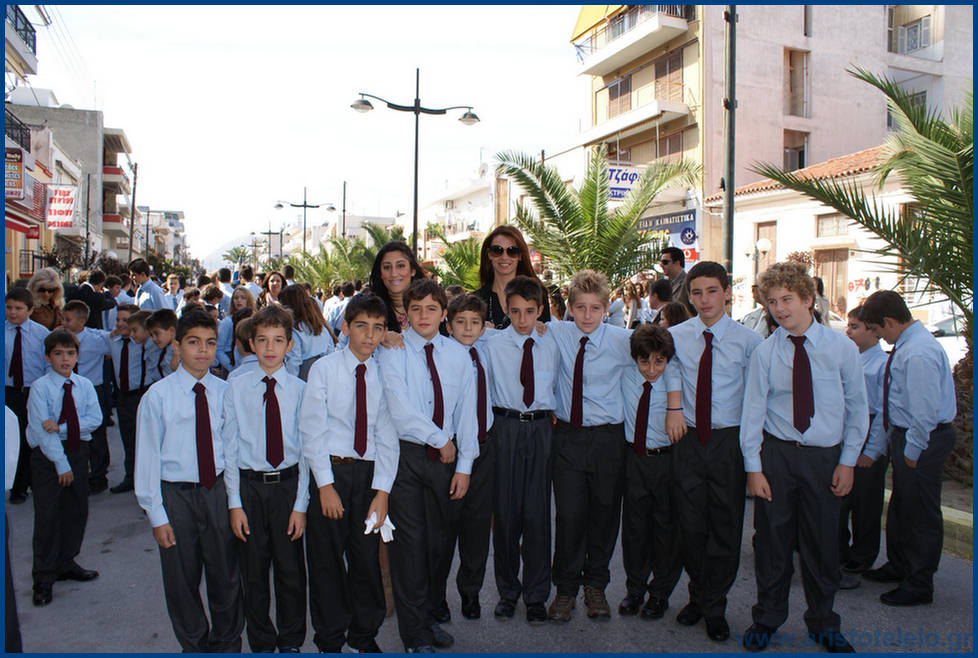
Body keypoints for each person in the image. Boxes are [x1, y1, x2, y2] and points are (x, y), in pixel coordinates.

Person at [739, 261, 867, 653]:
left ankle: (824, 622)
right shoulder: (765, 352)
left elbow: (858, 408)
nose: (779, 309)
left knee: (822, 544)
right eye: (772, 302)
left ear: (808, 299)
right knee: (772, 544)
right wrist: (754, 469)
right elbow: (753, 413)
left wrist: (847, 461)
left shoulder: (841, 348)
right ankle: (767, 618)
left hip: (824, 459)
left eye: (787, 299)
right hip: (778, 457)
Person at [134, 310, 245, 652]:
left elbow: (233, 451)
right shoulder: (158, 396)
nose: (203, 351)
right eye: (194, 342)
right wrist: (157, 515)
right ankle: (194, 645)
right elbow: (147, 459)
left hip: (216, 491)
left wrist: (235, 502)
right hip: (176, 495)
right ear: (177, 346)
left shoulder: (225, 392)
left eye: (210, 343)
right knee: (181, 579)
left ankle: (227, 643)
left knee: (226, 574)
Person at [377, 278, 478, 652]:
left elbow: (467, 412)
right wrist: (440, 439)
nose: (423, 315)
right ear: (405, 314)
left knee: (438, 546)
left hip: (446, 462)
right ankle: (414, 635)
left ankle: (427, 618)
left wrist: (465, 465)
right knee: (410, 548)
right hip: (407, 458)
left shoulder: (458, 355)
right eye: (415, 309)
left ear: (444, 313)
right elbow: (399, 409)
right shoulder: (394, 353)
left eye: (431, 309)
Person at [667, 260, 762, 643]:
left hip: (728, 441)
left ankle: (715, 604)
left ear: (726, 293)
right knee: (690, 524)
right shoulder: (676, 336)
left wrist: (753, 457)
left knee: (725, 525)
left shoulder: (748, 341)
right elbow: (670, 369)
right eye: (696, 293)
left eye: (711, 291)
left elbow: (755, 398)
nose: (704, 300)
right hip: (689, 438)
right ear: (688, 296)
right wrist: (675, 407)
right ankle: (698, 594)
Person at [299, 293, 398, 653]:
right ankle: (329, 638)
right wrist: (325, 486)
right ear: (345, 327)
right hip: (331, 471)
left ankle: (363, 634)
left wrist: (382, 492)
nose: (370, 335)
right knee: (326, 561)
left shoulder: (385, 374)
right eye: (361, 326)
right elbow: (312, 430)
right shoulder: (324, 369)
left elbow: (387, 435)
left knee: (366, 558)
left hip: (369, 476)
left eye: (378, 328)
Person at [542, 270, 633, 623]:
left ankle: (595, 585)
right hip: (569, 437)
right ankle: (565, 589)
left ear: (606, 308)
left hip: (609, 438)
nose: (587, 315)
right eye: (580, 307)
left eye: (595, 308)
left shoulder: (622, 340)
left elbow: (661, 354)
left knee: (604, 514)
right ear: (569, 307)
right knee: (569, 515)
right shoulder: (556, 333)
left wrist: (672, 407)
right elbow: (513, 332)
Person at [860, 290, 957, 607]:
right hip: (908, 435)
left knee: (919, 512)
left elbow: (924, 412)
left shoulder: (918, 353)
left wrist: (913, 451)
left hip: (923, 438)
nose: (878, 337)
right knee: (902, 506)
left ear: (889, 321)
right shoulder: (907, 346)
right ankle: (900, 565)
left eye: (877, 330)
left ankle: (919, 582)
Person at [223, 304, 308, 653]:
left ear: (290, 345)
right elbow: (229, 448)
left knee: (291, 571)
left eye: (277, 340)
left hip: (287, 486)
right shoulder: (236, 387)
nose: (270, 348)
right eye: (262, 340)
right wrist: (234, 503)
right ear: (251, 344)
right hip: (250, 487)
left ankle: (291, 641)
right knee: (253, 571)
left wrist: (300, 506)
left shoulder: (301, 390)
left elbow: (306, 452)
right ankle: (261, 641)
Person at [481, 276, 560, 625]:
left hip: (541, 429)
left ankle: (537, 595)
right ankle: (508, 592)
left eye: (530, 311)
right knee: (506, 513)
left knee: (537, 514)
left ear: (540, 310)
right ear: (506, 310)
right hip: (506, 427)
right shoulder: (492, 343)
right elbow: (455, 335)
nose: (523, 319)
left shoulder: (552, 340)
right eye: (515, 311)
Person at [26, 329, 103, 606]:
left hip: (77, 450)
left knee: (76, 510)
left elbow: (95, 419)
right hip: (48, 457)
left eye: (70, 353)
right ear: (48, 358)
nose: (65, 359)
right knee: (48, 516)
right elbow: (41, 430)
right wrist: (61, 465)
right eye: (58, 353)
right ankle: (43, 577)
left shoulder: (84, 385)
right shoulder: (40, 388)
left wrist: (62, 427)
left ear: (77, 356)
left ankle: (65, 562)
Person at [432, 292, 495, 623]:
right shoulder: (440, 356)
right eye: (460, 322)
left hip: (484, 446)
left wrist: (542, 327)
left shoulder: (487, 350)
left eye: (475, 322)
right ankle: (437, 596)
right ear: (448, 324)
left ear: (484, 327)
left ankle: (470, 592)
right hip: (451, 449)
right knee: (445, 528)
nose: (468, 328)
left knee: (477, 528)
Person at [619, 324, 684, 621]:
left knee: (665, 528)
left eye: (659, 361)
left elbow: (676, 368)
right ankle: (634, 589)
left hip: (666, 460)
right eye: (644, 361)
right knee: (635, 529)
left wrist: (674, 403)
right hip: (635, 459)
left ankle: (660, 593)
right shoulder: (626, 374)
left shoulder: (673, 377)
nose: (651, 369)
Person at [838, 306, 889, 588]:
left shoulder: (880, 364)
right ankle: (840, 550)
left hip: (868, 432)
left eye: (855, 327)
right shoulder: (850, 358)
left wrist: (872, 450)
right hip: (845, 430)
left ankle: (862, 555)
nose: (848, 331)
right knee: (841, 498)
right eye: (848, 325)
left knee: (865, 502)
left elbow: (882, 412)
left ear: (874, 331)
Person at [60, 300, 113, 495]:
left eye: (68, 319)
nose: (64, 323)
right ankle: (75, 473)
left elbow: (113, 341)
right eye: (63, 319)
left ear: (81, 321)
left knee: (96, 435)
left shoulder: (96, 339)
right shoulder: (59, 338)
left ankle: (99, 476)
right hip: (67, 390)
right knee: (71, 431)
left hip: (91, 390)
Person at [6, 286, 50, 504]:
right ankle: (16, 485)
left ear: (30, 310)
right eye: (9, 308)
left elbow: (47, 365)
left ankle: (29, 481)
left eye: (18, 308)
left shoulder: (41, 334)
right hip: (8, 392)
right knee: (12, 438)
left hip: (32, 391)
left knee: (30, 437)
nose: (13, 312)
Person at [475, 226, 551, 329]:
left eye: (512, 251)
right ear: (489, 255)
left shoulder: (538, 293)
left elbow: (545, 334)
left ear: (520, 255)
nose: (504, 257)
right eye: (497, 250)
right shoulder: (477, 300)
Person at [107, 304, 145, 494]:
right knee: (128, 438)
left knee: (144, 440)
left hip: (140, 394)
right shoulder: (113, 341)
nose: (120, 324)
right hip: (123, 396)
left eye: (125, 320)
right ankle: (130, 477)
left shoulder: (143, 343)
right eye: (118, 320)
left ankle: (146, 481)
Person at [279, 284, 336, 380]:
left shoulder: (295, 331)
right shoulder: (321, 328)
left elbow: (293, 362)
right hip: (324, 374)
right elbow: (330, 352)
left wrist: (289, 383)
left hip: (304, 376)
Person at [369, 241, 427, 332]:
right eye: (387, 267)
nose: (394, 273)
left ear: (412, 271)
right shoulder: (369, 309)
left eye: (400, 266)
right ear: (380, 274)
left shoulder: (431, 305)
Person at [217, 287, 256, 374]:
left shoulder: (255, 320)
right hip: (231, 362)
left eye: (243, 298)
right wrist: (232, 367)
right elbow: (219, 349)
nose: (239, 300)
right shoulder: (227, 322)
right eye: (236, 298)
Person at [145, 309, 178, 386]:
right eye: (151, 335)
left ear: (171, 331)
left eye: (156, 334)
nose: (153, 339)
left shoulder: (181, 350)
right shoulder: (156, 349)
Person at [659, 247, 694, 316]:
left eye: (665, 262)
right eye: (660, 262)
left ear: (677, 263)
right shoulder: (666, 285)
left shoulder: (689, 283)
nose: (661, 265)